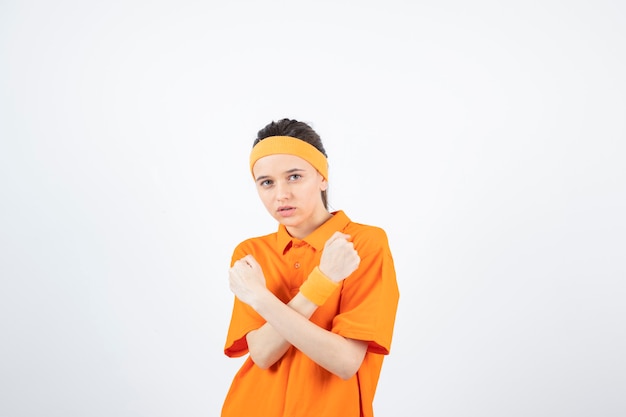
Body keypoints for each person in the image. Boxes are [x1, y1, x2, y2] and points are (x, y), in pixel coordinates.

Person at [222, 118, 400, 417]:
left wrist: (261, 298)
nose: (281, 194)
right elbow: (263, 355)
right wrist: (323, 281)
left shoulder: (364, 244)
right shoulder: (251, 252)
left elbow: (344, 362)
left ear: (322, 178)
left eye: (294, 176)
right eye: (267, 182)